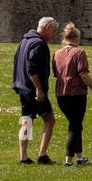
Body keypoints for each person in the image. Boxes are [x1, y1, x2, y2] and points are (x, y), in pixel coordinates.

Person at [52, 22, 92, 166]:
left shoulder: (56, 54)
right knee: (74, 126)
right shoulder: (79, 53)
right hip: (77, 95)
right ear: (76, 39)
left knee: (76, 124)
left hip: (61, 95)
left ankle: (80, 158)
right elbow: (83, 74)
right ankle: (68, 160)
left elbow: (56, 73)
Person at [12, 17, 58, 164]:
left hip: (22, 86)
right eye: (54, 31)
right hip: (34, 89)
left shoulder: (25, 40)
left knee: (27, 121)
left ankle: (23, 157)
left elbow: (17, 61)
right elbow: (32, 69)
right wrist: (39, 89)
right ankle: (42, 155)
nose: (54, 35)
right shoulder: (39, 44)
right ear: (48, 27)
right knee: (49, 120)